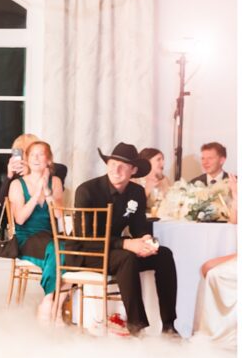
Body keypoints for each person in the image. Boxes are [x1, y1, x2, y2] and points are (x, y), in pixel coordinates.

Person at [71, 143, 178, 337]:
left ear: (134, 170)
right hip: (85, 251)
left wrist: (146, 241)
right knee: (126, 258)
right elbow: (85, 237)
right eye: (112, 164)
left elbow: (139, 228)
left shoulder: (136, 192)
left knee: (164, 254)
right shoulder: (87, 190)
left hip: (114, 251)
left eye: (123, 166)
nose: (116, 169)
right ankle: (136, 326)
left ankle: (169, 326)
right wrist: (127, 244)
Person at [8, 140, 64, 322]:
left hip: (50, 236)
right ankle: (49, 301)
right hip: (27, 238)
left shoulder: (55, 182)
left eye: (41, 154)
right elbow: (20, 219)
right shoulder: (17, 184)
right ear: (27, 159)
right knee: (55, 250)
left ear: (49, 160)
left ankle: (55, 303)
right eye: (32, 154)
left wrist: (46, 190)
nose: (36, 158)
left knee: (69, 250)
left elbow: (58, 214)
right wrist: (35, 194)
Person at [0, 133, 69, 205]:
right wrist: (9, 176)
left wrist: (30, 172)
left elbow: (55, 196)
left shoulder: (58, 169)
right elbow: (3, 202)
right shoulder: (17, 172)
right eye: (18, 152)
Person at [134, 147, 171, 214]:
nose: (163, 163)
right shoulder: (135, 180)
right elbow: (132, 207)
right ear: (147, 161)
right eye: (158, 159)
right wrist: (147, 190)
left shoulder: (165, 180)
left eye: (163, 159)